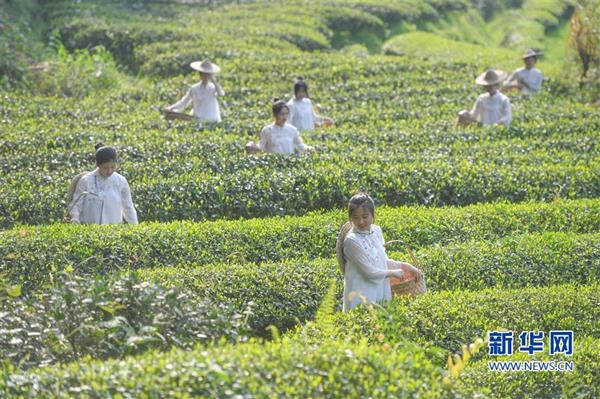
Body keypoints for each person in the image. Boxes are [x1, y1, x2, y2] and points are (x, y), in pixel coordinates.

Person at [335, 193, 419, 311]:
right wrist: (393, 273)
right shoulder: (351, 240)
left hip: (380, 289)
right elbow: (368, 272)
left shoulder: (376, 231)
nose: (361, 221)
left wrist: (406, 266)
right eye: (355, 217)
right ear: (350, 218)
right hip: (361, 293)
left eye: (365, 216)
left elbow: (381, 261)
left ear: (372, 215)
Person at [68, 143, 138, 225]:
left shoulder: (121, 181)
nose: (109, 171)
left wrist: (134, 226)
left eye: (113, 167)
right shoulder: (86, 180)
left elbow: (128, 207)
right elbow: (76, 205)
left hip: (113, 230)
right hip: (89, 229)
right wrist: (75, 218)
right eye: (105, 168)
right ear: (97, 165)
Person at [245, 99, 315, 154]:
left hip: (289, 164)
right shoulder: (267, 130)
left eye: (286, 114)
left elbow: (301, 146)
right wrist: (251, 146)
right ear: (275, 115)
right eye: (282, 114)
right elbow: (261, 147)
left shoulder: (292, 130)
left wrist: (310, 149)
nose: (284, 117)